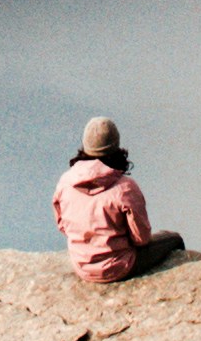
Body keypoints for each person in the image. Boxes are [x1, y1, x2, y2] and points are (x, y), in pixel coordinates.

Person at [52, 113, 178, 283]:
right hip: (119, 267)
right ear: (116, 146)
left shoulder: (65, 181)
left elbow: (63, 226)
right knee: (173, 239)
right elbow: (141, 239)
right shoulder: (125, 188)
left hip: (81, 266)